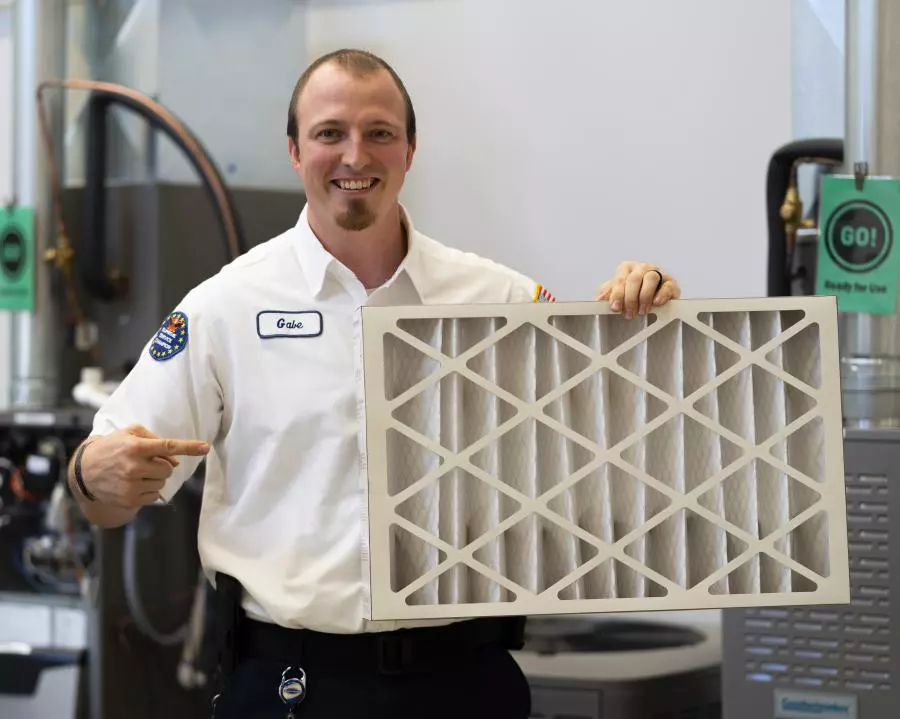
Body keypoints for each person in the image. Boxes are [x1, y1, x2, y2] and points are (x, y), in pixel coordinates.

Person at [66, 49, 682, 719]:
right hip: (289, 687)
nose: (356, 156)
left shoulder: (499, 298)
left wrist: (644, 313)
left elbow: (616, 436)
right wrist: (90, 476)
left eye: (379, 132)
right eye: (331, 133)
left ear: (410, 149)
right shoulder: (224, 308)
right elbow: (107, 502)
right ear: (296, 151)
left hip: (466, 683)